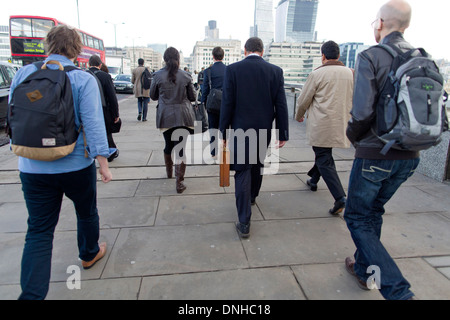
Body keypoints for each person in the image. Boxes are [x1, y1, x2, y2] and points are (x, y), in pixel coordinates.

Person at [9, 25, 113, 300]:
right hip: (75, 163)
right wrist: (103, 164)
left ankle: (31, 296)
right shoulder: (82, 79)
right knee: (86, 212)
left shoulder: (24, 73)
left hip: (31, 167)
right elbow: (93, 124)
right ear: (76, 49)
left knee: (39, 231)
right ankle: (89, 254)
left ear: (48, 46)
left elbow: (15, 118)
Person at [344, 0, 419, 300]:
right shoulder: (420, 57)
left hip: (377, 153)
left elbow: (361, 112)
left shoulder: (371, 55)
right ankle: (365, 271)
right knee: (373, 211)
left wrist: (352, 137)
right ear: (406, 25)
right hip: (410, 156)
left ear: (379, 24)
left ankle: (398, 292)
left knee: (357, 217)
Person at [219, 37, 289, 238]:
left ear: (244, 51)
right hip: (263, 129)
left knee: (242, 170)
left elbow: (227, 104)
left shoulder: (232, 70)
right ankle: (252, 196)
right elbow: (281, 105)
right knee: (256, 164)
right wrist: (282, 132)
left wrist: (223, 132)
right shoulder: (275, 71)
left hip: (241, 129)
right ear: (262, 51)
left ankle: (244, 221)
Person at [296, 41, 354, 215]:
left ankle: (340, 198)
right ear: (338, 55)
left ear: (323, 55)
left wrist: (299, 115)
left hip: (321, 123)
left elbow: (304, 99)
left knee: (323, 157)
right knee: (323, 153)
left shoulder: (317, 74)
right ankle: (313, 180)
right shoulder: (351, 73)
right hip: (342, 122)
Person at [150, 47, 196, 193]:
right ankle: (179, 183)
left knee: (168, 145)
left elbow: (153, 96)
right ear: (178, 58)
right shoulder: (186, 76)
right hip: (183, 116)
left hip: (165, 116)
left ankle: (169, 173)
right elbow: (193, 97)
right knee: (181, 149)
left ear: (164, 58)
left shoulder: (157, 76)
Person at [88, 55, 120, 162]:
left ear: (89, 64)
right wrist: (115, 114)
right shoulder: (105, 76)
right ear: (100, 65)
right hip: (103, 110)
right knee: (106, 133)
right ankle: (110, 153)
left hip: (88, 110)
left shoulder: (84, 75)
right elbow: (112, 97)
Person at [201, 47, 227, 159]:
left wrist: (203, 102)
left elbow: (205, 89)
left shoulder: (208, 71)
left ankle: (213, 152)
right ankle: (225, 147)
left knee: (213, 128)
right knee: (225, 126)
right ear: (223, 56)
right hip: (225, 103)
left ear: (213, 56)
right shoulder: (228, 69)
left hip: (212, 103)